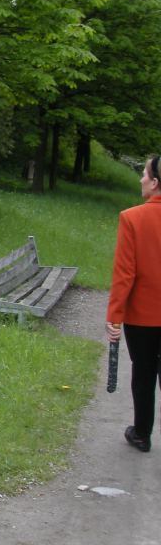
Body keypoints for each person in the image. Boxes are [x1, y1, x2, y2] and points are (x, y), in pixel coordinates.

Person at [106, 154, 161, 453]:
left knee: (143, 373)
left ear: (154, 183)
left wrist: (114, 317)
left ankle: (142, 434)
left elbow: (124, 275)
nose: (140, 178)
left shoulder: (132, 218)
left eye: (144, 174)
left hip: (142, 317)